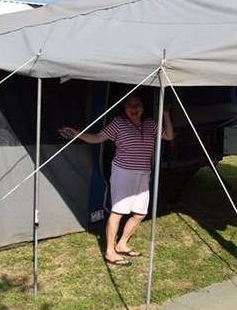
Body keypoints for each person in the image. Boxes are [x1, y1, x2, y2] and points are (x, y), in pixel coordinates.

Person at [59, 95, 173, 266]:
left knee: (140, 213)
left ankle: (121, 244)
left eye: (138, 105)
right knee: (118, 211)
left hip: (143, 173)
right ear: (124, 108)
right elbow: (97, 138)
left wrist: (165, 113)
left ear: (143, 107)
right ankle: (110, 252)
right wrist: (77, 134)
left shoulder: (150, 124)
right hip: (123, 173)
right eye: (129, 105)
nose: (134, 108)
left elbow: (169, 136)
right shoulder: (118, 123)